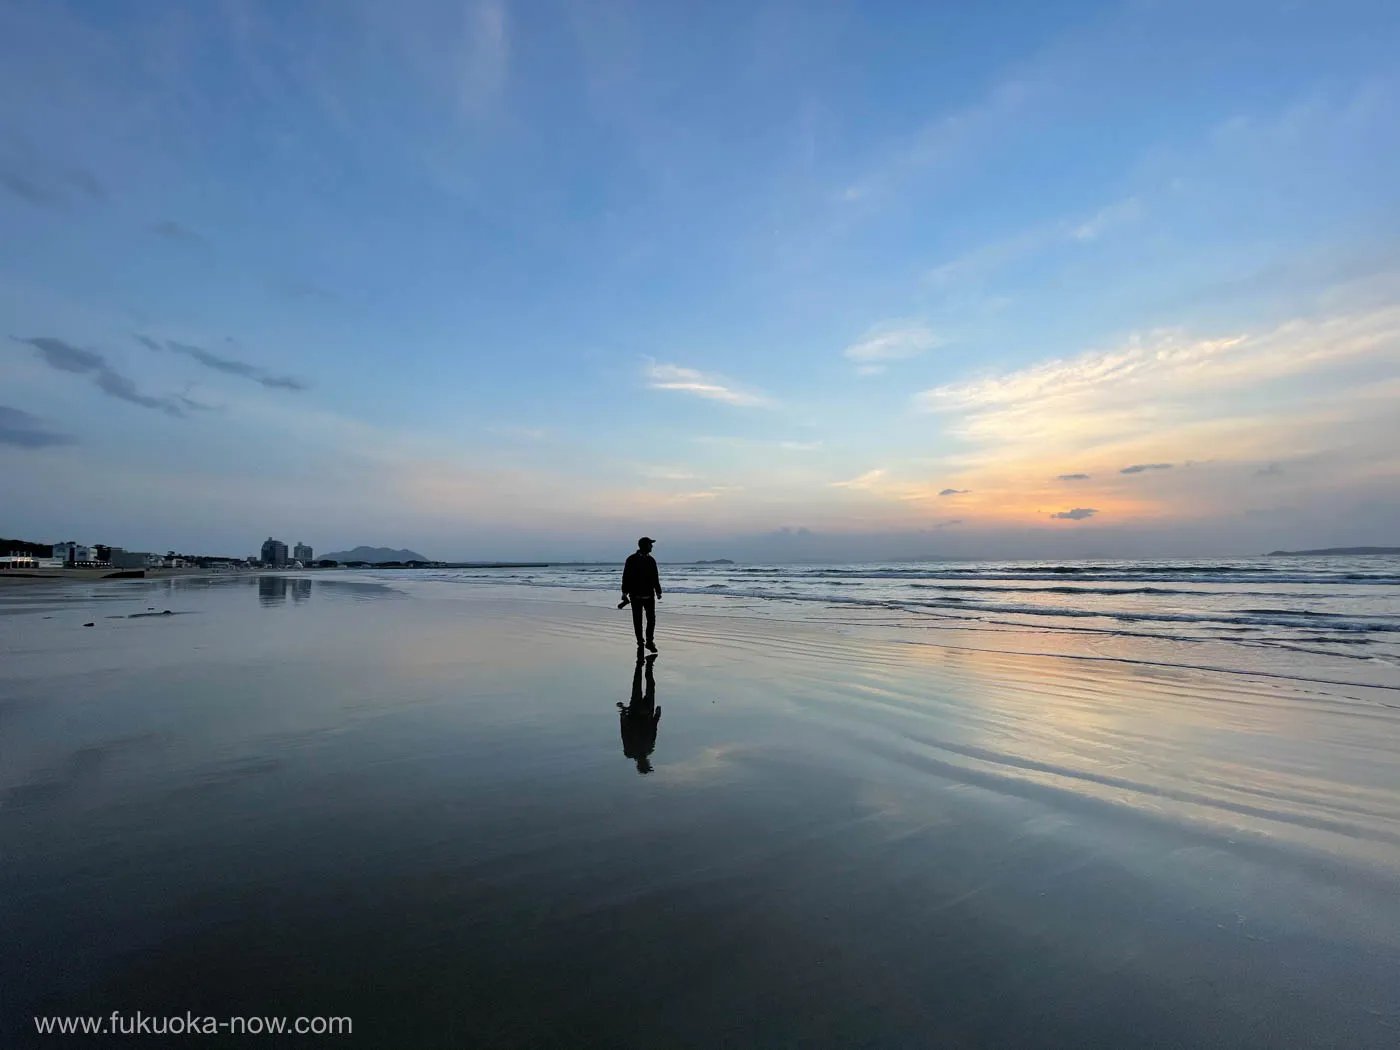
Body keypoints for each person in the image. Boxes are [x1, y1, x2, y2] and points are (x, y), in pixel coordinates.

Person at [617, 653, 661, 774]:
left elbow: (624, 733)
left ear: (639, 765)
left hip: (635, 713)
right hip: (647, 713)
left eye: (645, 765)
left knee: (637, 684)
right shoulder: (649, 749)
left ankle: (640, 663)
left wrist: (622, 714)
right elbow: (654, 730)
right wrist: (657, 715)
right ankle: (649, 664)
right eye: (648, 764)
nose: (647, 762)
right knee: (650, 685)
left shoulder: (630, 752)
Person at [620, 536, 662, 652]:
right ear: (645, 546)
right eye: (650, 544)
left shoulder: (651, 560)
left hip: (649, 595)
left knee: (651, 619)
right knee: (637, 620)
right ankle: (640, 642)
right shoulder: (631, 559)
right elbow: (626, 577)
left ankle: (649, 641)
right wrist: (624, 592)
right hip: (635, 595)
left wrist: (658, 591)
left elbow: (655, 577)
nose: (652, 546)